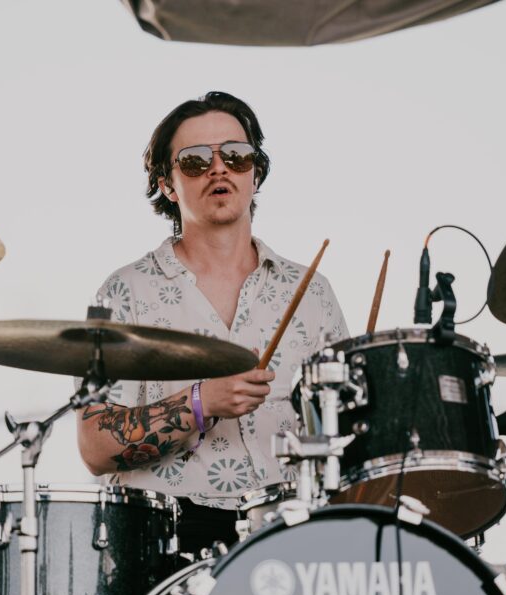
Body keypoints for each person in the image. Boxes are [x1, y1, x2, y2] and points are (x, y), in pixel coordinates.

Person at [76, 91, 349, 555]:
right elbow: (95, 446)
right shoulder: (124, 291)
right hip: (168, 537)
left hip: (292, 530)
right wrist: (201, 402)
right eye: (196, 161)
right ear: (167, 184)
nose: (219, 169)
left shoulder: (312, 292)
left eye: (237, 156)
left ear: (255, 174)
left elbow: (351, 425)